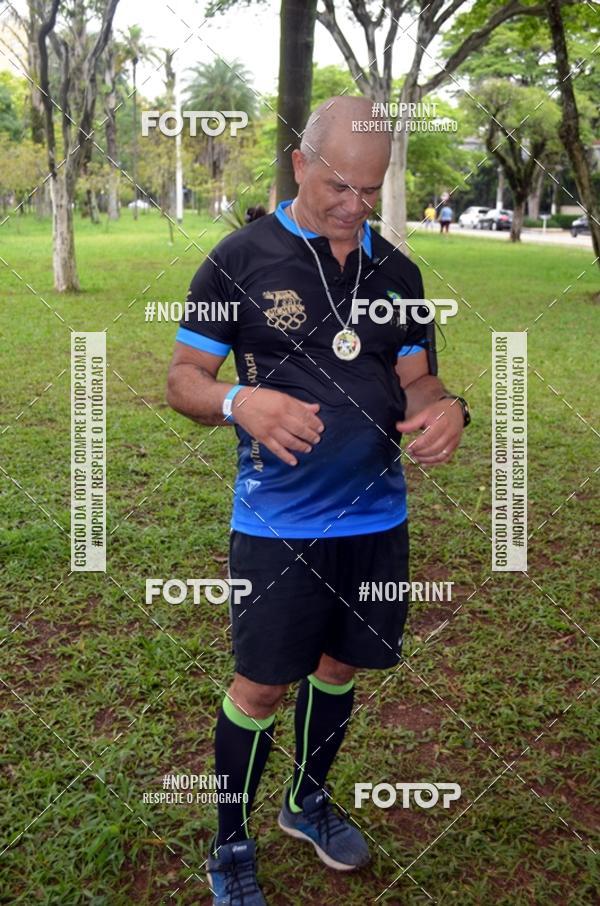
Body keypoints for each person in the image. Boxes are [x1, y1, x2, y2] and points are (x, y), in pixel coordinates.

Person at [166, 95, 470, 906]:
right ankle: (230, 841)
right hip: (279, 522)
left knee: (340, 667)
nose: (354, 205)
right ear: (301, 163)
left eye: (370, 190)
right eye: (339, 185)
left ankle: (307, 802)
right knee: (262, 685)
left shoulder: (397, 272)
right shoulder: (238, 260)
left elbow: (418, 376)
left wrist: (449, 408)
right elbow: (182, 379)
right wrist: (239, 402)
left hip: (377, 517)